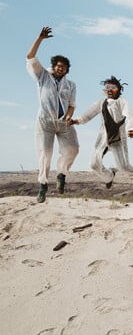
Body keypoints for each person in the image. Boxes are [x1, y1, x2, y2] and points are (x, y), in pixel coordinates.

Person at [26, 26, 80, 203]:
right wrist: (39, 38)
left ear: (67, 70)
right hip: (45, 121)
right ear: (54, 66)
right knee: (45, 153)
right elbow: (30, 57)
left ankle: (62, 175)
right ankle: (42, 186)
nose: (60, 69)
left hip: (64, 122)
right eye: (58, 66)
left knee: (73, 149)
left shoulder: (70, 85)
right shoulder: (43, 76)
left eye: (64, 67)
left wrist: (69, 116)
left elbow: (72, 105)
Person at [70, 76, 133, 189]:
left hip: (118, 139)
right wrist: (76, 120)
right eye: (107, 87)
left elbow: (129, 116)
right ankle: (109, 176)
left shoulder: (122, 102)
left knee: (124, 166)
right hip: (103, 139)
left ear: (119, 89)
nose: (109, 89)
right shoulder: (101, 103)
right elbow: (88, 114)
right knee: (94, 164)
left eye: (113, 87)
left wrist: (131, 129)